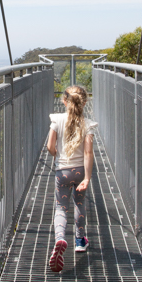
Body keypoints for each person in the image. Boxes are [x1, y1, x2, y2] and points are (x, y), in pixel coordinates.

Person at [46, 85, 97, 272]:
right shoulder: (88, 124)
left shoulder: (57, 119)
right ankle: (80, 240)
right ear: (84, 102)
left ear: (64, 101)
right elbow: (88, 153)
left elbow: (50, 146)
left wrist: (57, 157)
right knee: (79, 204)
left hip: (62, 172)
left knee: (61, 207)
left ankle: (60, 238)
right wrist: (87, 178)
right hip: (80, 172)